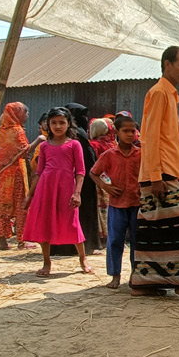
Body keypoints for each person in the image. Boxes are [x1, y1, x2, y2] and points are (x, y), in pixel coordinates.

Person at [132, 46, 179, 299]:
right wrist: (155, 176)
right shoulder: (160, 92)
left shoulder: (169, 95)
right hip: (159, 176)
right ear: (167, 64)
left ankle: (144, 284)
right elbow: (149, 137)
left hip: (166, 172)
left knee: (156, 231)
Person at [21, 107, 92, 277]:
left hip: (67, 188)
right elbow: (38, 172)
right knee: (44, 224)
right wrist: (30, 195)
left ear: (69, 124)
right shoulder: (44, 146)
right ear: (48, 125)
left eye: (62, 122)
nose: (58, 126)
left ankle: (83, 258)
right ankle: (46, 262)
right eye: (53, 122)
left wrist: (77, 193)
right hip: (46, 188)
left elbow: (80, 171)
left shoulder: (74, 144)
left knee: (72, 223)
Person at [90, 114, 141, 289]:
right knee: (114, 240)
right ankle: (115, 275)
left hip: (137, 204)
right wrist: (106, 187)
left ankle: (136, 274)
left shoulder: (141, 154)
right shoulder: (109, 155)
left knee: (137, 241)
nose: (129, 134)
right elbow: (93, 173)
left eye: (132, 131)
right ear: (116, 132)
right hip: (117, 204)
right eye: (125, 131)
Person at [0, 102, 39, 250]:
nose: (27, 115)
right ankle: (22, 240)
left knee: (4, 205)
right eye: (24, 112)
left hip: (2, 173)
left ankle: (2, 241)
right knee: (21, 204)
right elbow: (24, 152)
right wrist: (38, 141)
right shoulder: (17, 131)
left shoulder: (2, 131)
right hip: (16, 172)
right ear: (17, 113)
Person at [64, 102, 104, 254]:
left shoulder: (76, 133)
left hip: (79, 178)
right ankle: (84, 245)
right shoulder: (77, 134)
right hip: (83, 179)